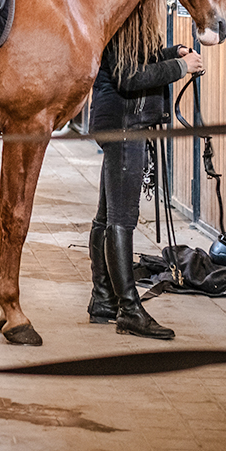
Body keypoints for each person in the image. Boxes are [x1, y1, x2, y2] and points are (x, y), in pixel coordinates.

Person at [87, 37, 204, 338]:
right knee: (122, 219)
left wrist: (169, 53)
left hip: (118, 118)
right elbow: (130, 77)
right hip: (125, 121)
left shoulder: (125, 18)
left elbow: (134, 59)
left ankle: (103, 300)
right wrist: (180, 66)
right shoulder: (125, 18)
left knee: (106, 215)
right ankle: (129, 309)